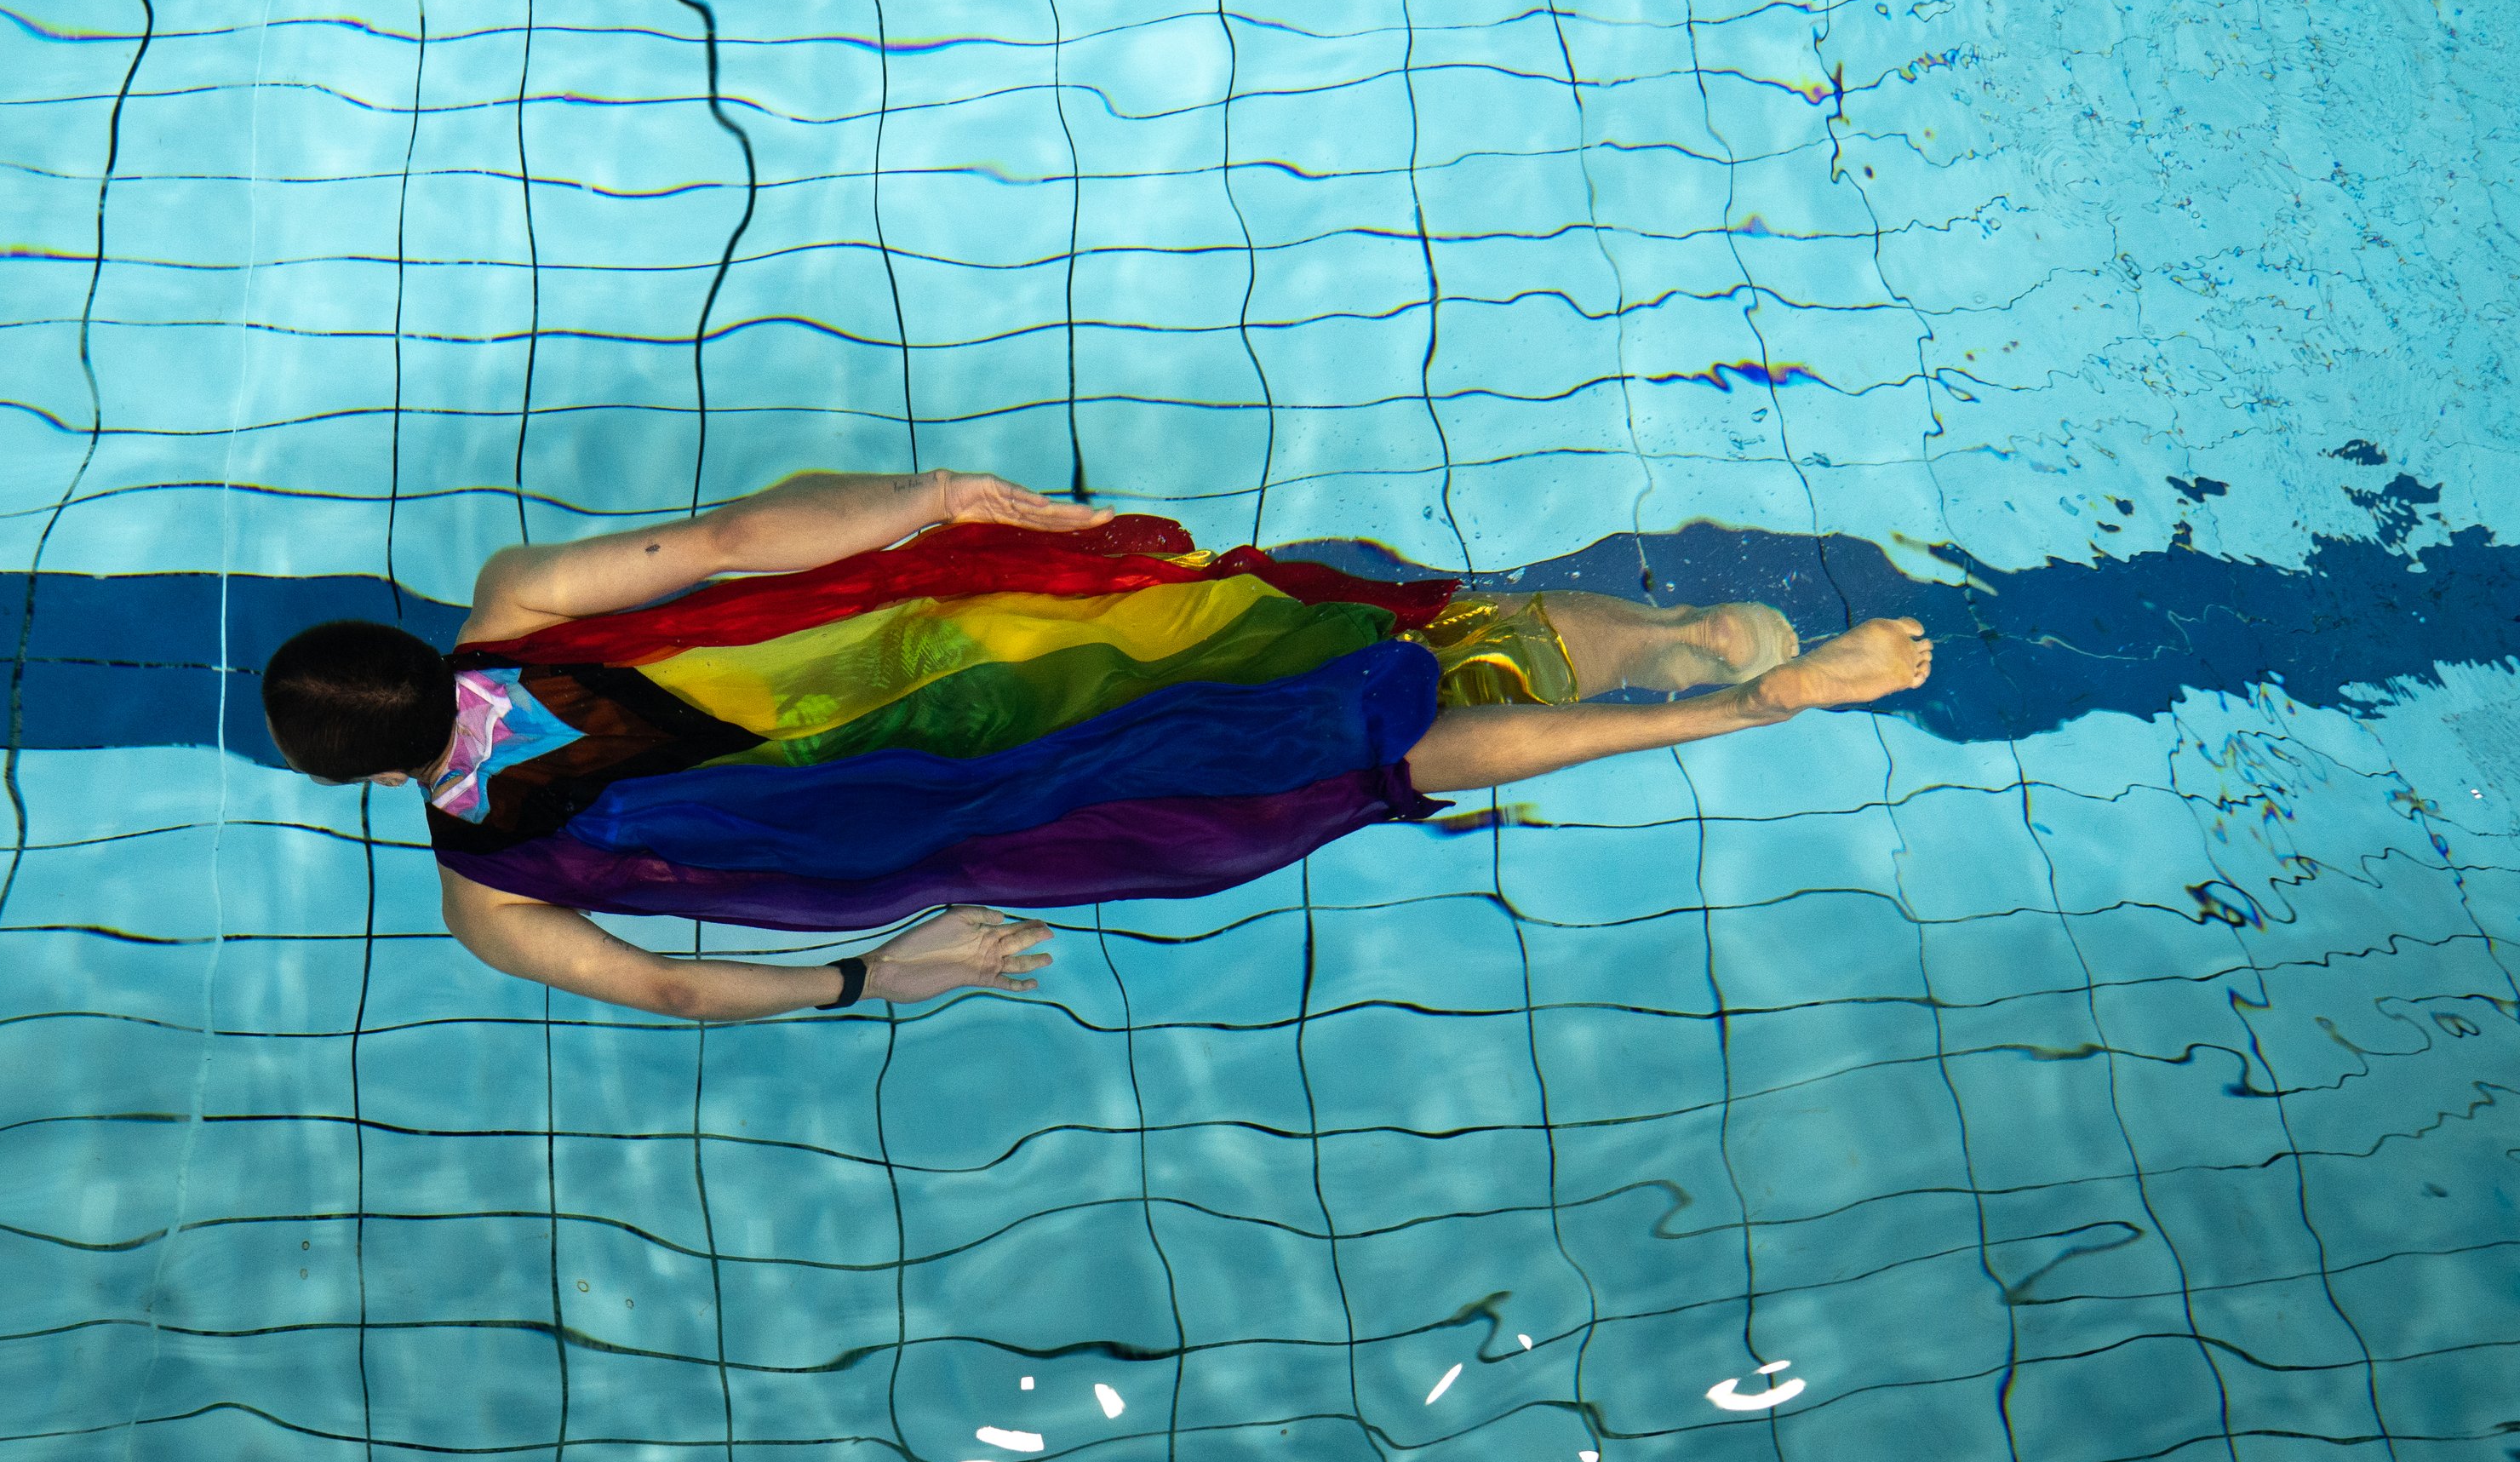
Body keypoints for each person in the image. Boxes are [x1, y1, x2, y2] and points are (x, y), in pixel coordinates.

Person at [265, 470, 1931, 1020]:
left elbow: (679, 990)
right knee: (1359, 634)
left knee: (1359, 763)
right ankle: (1707, 646)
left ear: (359, 778)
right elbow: (739, 541)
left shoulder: (484, 902)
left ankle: (1728, 711)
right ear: (413, 642)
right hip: (980, 656)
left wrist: (879, 978)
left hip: (996, 817)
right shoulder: (525, 594)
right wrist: (952, 505)